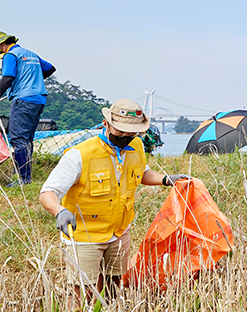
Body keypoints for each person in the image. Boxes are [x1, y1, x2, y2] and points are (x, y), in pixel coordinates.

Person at [37, 99, 188, 300]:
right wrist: (60, 211)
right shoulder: (80, 155)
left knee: (114, 286)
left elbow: (142, 172)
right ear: (106, 124)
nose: (126, 136)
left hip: (119, 232)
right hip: (85, 236)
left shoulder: (136, 146)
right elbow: (48, 192)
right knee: (84, 292)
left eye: (131, 132)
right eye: (120, 131)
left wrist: (165, 179)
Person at [0, 32, 56, 187]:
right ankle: (21, 175)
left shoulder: (10, 55)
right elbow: (50, 69)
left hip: (23, 99)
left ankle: (23, 180)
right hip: (38, 99)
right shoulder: (30, 53)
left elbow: (7, 78)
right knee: (26, 139)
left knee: (18, 139)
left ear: (2, 45)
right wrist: (31, 78)